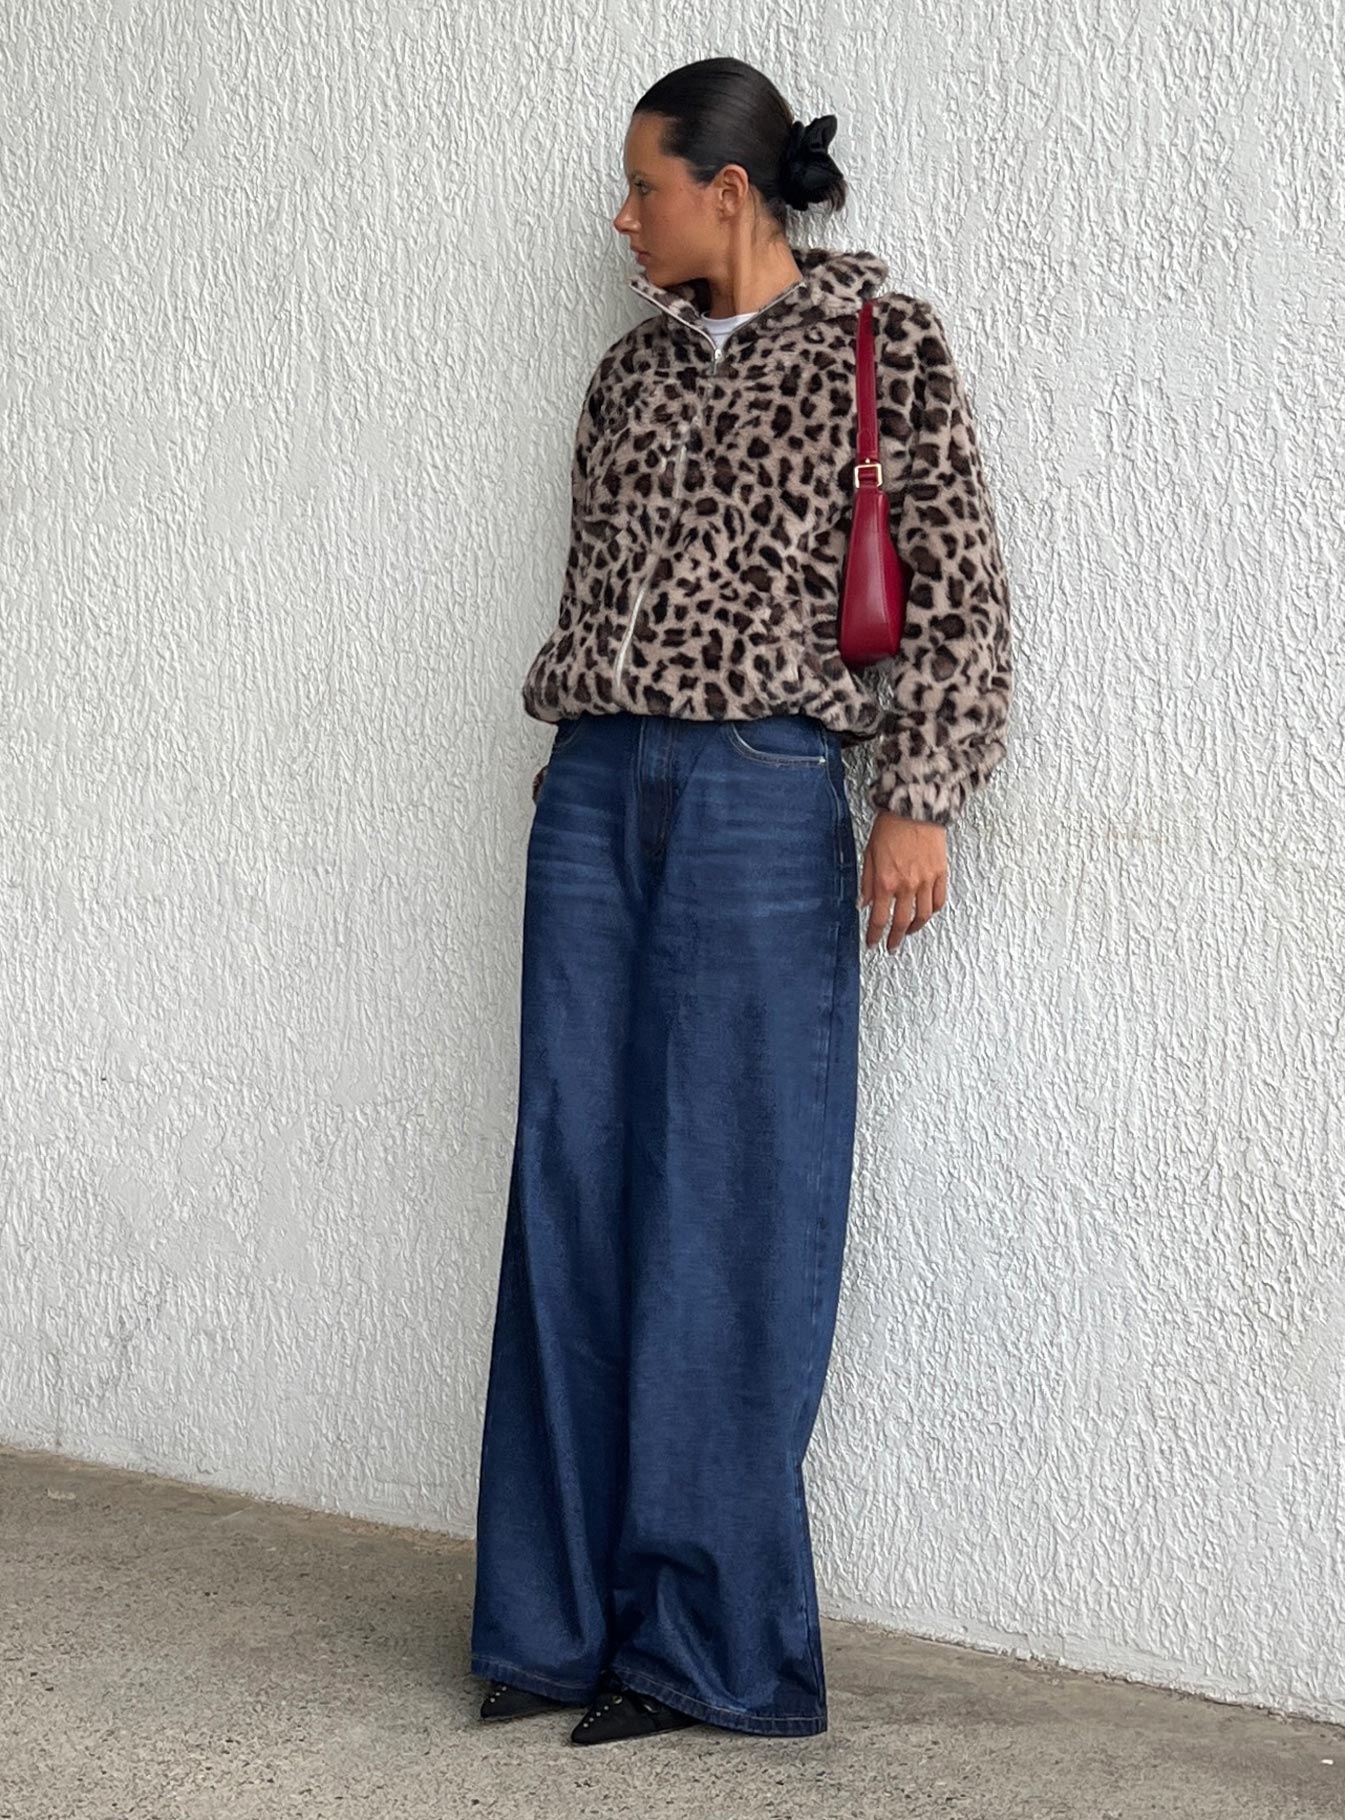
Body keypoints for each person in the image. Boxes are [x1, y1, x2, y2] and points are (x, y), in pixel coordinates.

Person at [470, 56, 1013, 1747]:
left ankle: (700, 1645)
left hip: (764, 795)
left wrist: (917, 794)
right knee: (570, 1178)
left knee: (730, 1200)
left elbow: (960, 591)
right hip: (591, 790)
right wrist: (580, 770)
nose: (621, 219)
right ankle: (551, 1626)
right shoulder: (625, 375)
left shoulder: (878, 346)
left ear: (727, 190)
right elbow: (590, 583)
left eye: (644, 188)